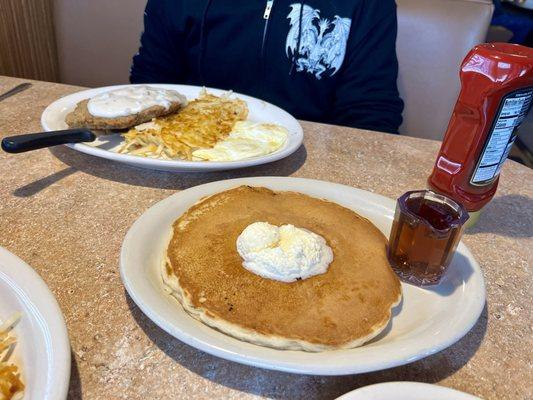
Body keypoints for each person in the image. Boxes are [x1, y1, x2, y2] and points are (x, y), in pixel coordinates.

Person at [130, 0, 404, 134]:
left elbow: (371, 114)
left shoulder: (369, 4)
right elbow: (151, 83)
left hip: (308, 163)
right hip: (189, 145)